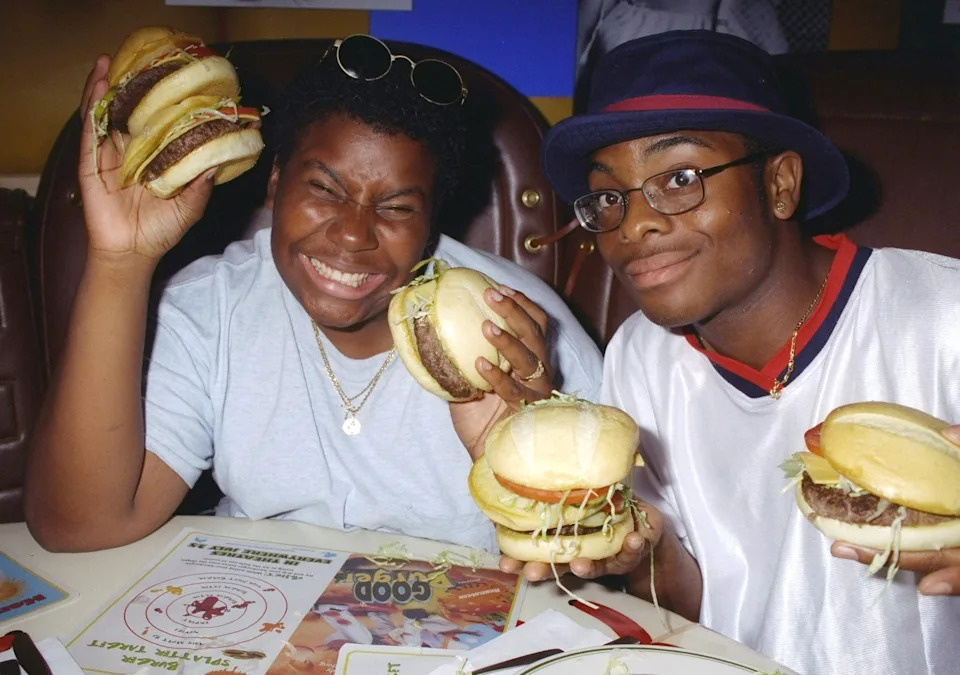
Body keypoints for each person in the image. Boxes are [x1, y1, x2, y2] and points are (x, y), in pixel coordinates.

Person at [23, 34, 602, 555]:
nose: (353, 233)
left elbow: (606, 572)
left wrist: (532, 458)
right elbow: (80, 526)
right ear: (276, 181)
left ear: (431, 222)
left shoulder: (524, 332)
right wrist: (120, 260)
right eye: (325, 188)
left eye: (397, 207)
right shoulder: (212, 307)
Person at [503, 30, 960, 674]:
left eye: (680, 178)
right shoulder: (640, 354)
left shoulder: (943, 318)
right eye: (610, 196)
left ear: (779, 184)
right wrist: (643, 550)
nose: (634, 224)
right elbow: (693, 610)